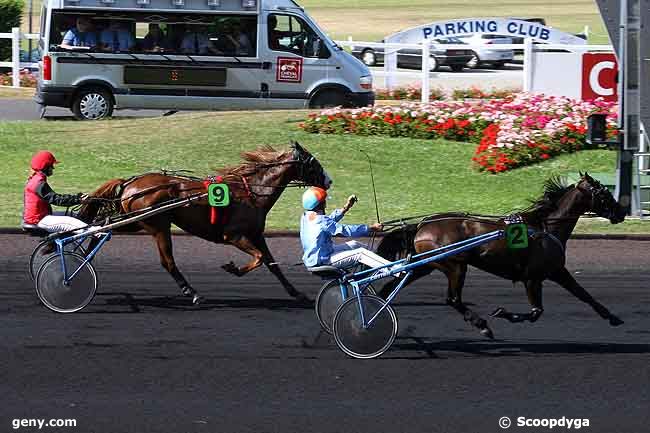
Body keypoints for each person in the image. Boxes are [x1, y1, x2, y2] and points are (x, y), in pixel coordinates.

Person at [300, 187, 397, 273]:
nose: (325, 205)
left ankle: (380, 260)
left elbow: (328, 223)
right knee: (361, 253)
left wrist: (346, 207)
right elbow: (344, 230)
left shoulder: (306, 217)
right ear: (318, 205)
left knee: (355, 244)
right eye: (324, 202)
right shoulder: (321, 220)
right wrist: (371, 228)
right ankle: (394, 270)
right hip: (323, 260)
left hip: (318, 256)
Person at [23, 151, 88, 233]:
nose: (53, 168)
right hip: (39, 221)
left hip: (41, 217)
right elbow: (56, 199)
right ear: (45, 166)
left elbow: (56, 197)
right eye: (51, 165)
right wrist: (78, 200)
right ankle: (97, 233)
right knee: (78, 225)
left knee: (75, 216)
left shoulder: (36, 179)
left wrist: (76, 198)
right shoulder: (38, 183)